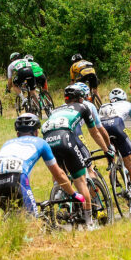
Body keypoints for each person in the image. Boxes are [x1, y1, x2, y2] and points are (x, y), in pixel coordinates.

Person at [40, 85, 113, 229]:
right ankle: (89, 221)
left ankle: (61, 199)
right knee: (80, 180)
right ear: (81, 98)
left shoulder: (56, 110)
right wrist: (106, 150)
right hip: (65, 138)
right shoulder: (83, 107)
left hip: (47, 140)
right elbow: (95, 133)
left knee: (60, 175)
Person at [0, 113, 82, 218]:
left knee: (16, 217)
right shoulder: (41, 143)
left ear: (17, 134)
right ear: (36, 132)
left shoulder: (7, 143)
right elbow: (58, 174)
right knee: (33, 220)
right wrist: (74, 194)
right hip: (16, 179)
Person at [96, 88, 131, 203]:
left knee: (111, 152)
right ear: (124, 97)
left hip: (102, 129)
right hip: (117, 126)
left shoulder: (104, 105)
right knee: (129, 162)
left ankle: (112, 167)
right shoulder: (127, 104)